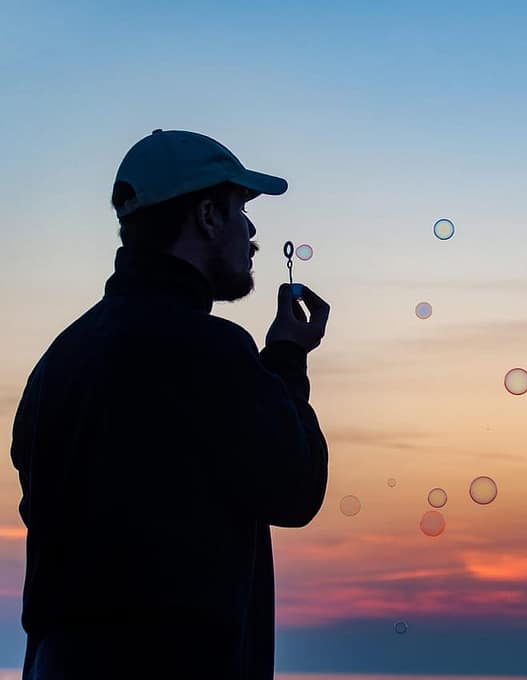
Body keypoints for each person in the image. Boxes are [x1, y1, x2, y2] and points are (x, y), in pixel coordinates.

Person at [9, 130, 331, 679]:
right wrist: (284, 361)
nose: (250, 231)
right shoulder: (209, 350)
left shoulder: (59, 362)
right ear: (207, 215)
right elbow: (295, 488)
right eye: (240, 210)